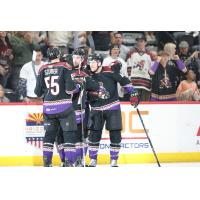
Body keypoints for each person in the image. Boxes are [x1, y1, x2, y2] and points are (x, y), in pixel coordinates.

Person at [56, 48, 109, 167]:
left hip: (81, 111)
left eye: (78, 58)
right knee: (62, 136)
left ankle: (79, 159)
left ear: (82, 60)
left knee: (81, 136)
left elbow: (95, 87)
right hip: (64, 110)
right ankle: (64, 160)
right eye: (74, 57)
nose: (75, 60)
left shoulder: (84, 75)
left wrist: (101, 91)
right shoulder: (64, 72)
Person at [87, 53, 139, 167]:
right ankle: (92, 159)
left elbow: (125, 81)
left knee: (115, 133)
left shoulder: (110, 72)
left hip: (112, 107)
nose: (91, 64)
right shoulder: (87, 75)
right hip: (96, 109)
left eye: (94, 62)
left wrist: (133, 93)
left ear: (100, 63)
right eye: (90, 62)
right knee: (94, 135)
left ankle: (114, 160)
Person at [34, 47, 80, 167]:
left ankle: (47, 163)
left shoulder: (42, 69)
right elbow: (70, 89)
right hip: (64, 107)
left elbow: (37, 92)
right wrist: (78, 87)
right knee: (69, 135)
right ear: (58, 55)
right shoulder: (65, 66)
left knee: (49, 136)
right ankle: (70, 163)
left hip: (48, 108)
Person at [126, 35, 152, 101]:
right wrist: (129, 79)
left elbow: (152, 69)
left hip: (146, 84)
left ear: (145, 43)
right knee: (134, 104)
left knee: (145, 105)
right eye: (138, 41)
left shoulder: (150, 54)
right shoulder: (131, 53)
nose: (140, 43)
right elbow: (128, 67)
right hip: (134, 84)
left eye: (141, 41)